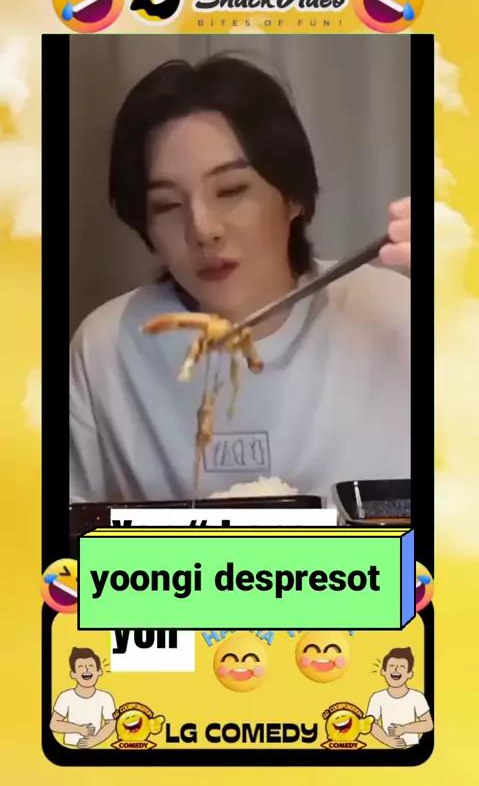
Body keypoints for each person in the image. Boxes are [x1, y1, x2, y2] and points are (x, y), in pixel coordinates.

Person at [70, 54, 411, 504]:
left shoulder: (397, 314)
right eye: (167, 206)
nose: (202, 229)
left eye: (231, 190)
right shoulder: (107, 348)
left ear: (293, 197)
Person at [366, 647, 433, 748]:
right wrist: (387, 740)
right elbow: (370, 724)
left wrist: (403, 729)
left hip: (413, 748)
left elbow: (428, 724)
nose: (396, 669)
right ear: (383, 671)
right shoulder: (377, 698)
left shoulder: (417, 697)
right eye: (392, 666)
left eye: (402, 667)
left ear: (409, 674)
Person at [50, 647, 116, 748]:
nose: (86, 669)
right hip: (69, 748)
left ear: (99, 671)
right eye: (80, 666)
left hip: (95, 747)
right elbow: (54, 724)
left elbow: (111, 723)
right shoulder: (65, 697)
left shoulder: (105, 697)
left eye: (91, 665)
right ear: (73, 674)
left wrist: (95, 740)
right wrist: (79, 729)